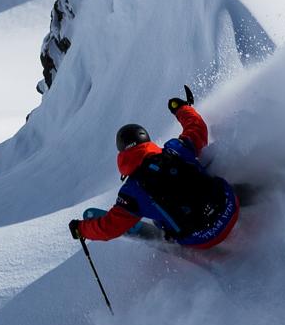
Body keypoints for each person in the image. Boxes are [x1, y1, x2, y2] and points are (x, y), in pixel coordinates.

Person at [67, 85, 240, 250]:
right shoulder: (174, 149)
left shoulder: (132, 191)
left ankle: (167, 230)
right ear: (147, 141)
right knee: (198, 162)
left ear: (122, 154)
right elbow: (197, 128)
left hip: (202, 238)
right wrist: (181, 108)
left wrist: (80, 229)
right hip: (231, 207)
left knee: (154, 212)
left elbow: (109, 227)